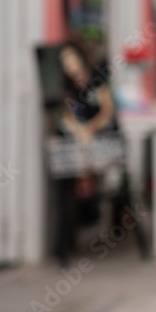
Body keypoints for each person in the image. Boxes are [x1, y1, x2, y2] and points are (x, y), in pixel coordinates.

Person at [58, 41, 118, 226]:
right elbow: (68, 117)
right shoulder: (68, 88)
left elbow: (107, 111)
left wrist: (89, 129)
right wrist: (79, 130)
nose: (70, 67)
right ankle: (86, 200)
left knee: (87, 153)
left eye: (72, 60)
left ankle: (92, 197)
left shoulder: (96, 77)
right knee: (76, 149)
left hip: (103, 134)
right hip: (83, 140)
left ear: (80, 58)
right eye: (65, 63)